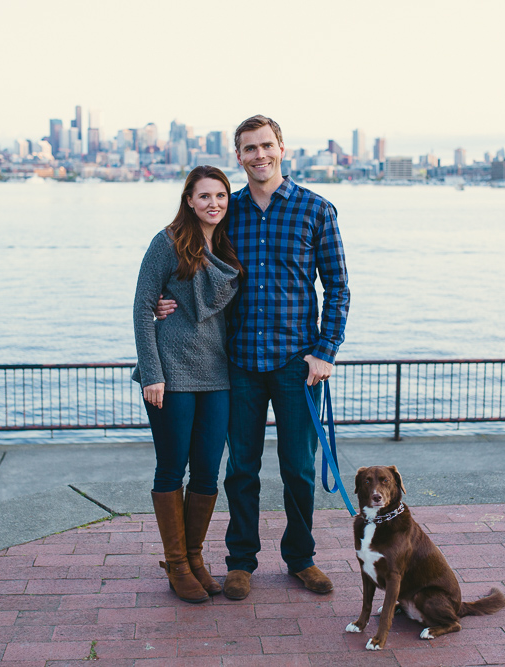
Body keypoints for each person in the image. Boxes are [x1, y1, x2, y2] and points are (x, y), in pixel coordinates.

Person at [156, 115, 350, 600]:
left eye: (266, 145)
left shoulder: (316, 210)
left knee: (297, 469)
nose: (259, 155)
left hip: (296, 365)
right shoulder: (227, 212)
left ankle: (300, 558)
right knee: (240, 469)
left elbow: (339, 289)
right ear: (238, 156)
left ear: (281, 148)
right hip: (237, 362)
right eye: (249, 149)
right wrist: (166, 302)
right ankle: (240, 561)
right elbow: (189, 265)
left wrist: (325, 352)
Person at [132, 165, 242, 603]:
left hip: (217, 375)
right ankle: (176, 563)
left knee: (208, 472)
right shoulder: (168, 242)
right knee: (170, 469)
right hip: (171, 375)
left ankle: (194, 556)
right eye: (204, 196)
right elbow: (142, 308)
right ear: (189, 200)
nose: (213, 203)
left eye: (221, 195)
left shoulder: (231, 246)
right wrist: (152, 372)